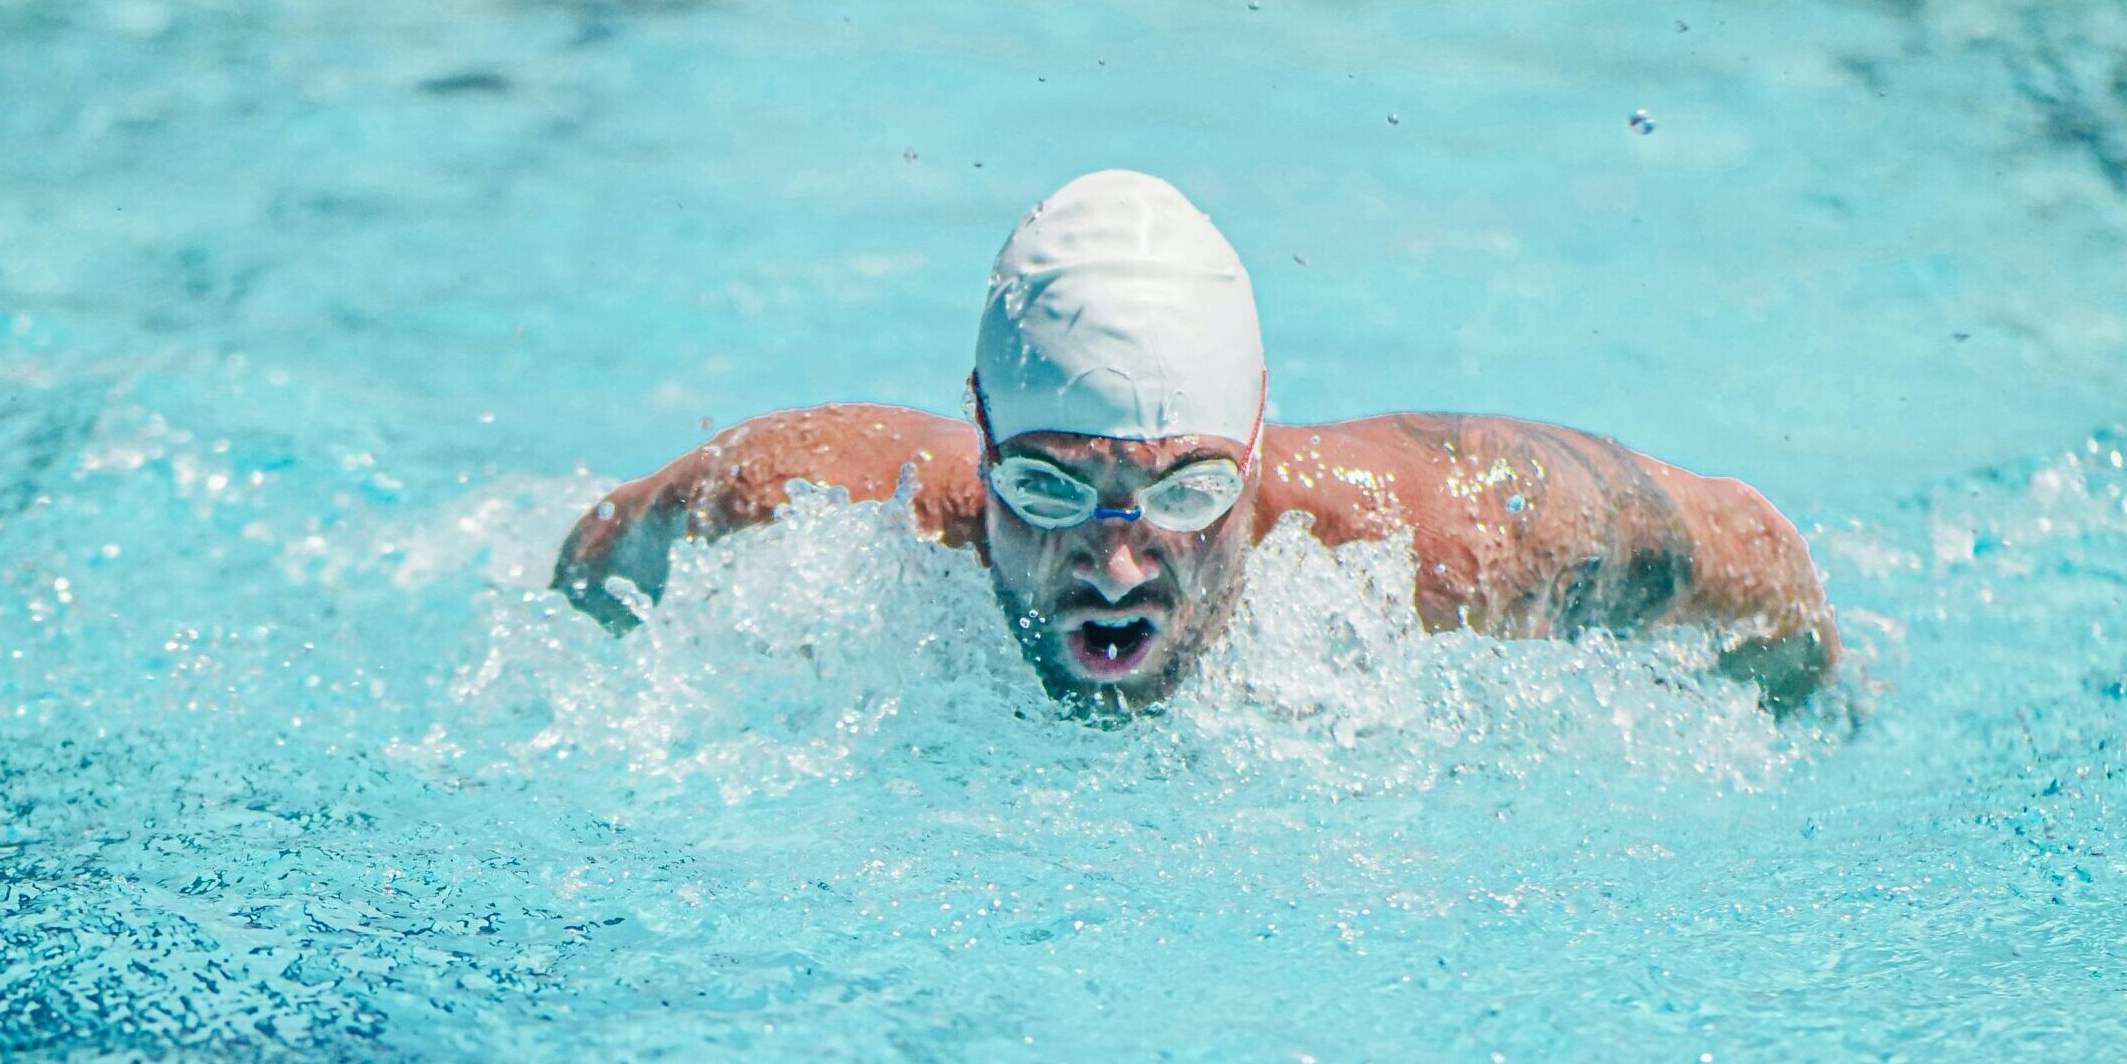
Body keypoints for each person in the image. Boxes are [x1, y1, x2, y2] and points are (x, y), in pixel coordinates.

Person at [554, 170, 1840, 713]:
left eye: (1187, 491)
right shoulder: (812, 495)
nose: (1118, 563)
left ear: (1260, 442)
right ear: (980, 430)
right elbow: (593, 568)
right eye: (1051, 487)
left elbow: (1756, 559)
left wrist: (1808, 722)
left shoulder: (1440, 532)